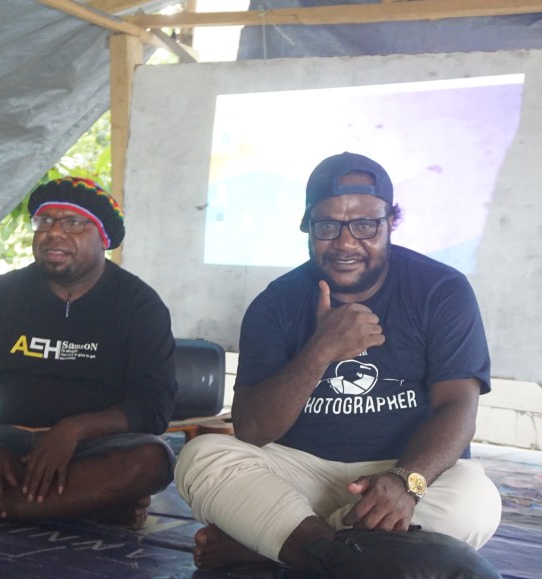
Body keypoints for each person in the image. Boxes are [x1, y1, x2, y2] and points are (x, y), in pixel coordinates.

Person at [175, 152, 503, 578]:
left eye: (365, 225)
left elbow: (458, 407)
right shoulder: (276, 303)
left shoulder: (440, 289)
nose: (346, 243)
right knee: (202, 457)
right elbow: (252, 431)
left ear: (391, 223)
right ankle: (340, 548)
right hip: (298, 469)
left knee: (475, 503)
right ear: (308, 227)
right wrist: (321, 349)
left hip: (403, 466)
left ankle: (283, 546)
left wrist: (407, 482)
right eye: (327, 226)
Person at [0, 177, 177, 526]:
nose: (54, 233)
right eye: (44, 221)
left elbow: (154, 406)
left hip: (92, 449)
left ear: (103, 238)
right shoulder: (5, 293)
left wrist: (73, 430)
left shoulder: (139, 304)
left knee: (151, 462)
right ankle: (86, 504)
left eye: (73, 222)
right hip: (9, 443)